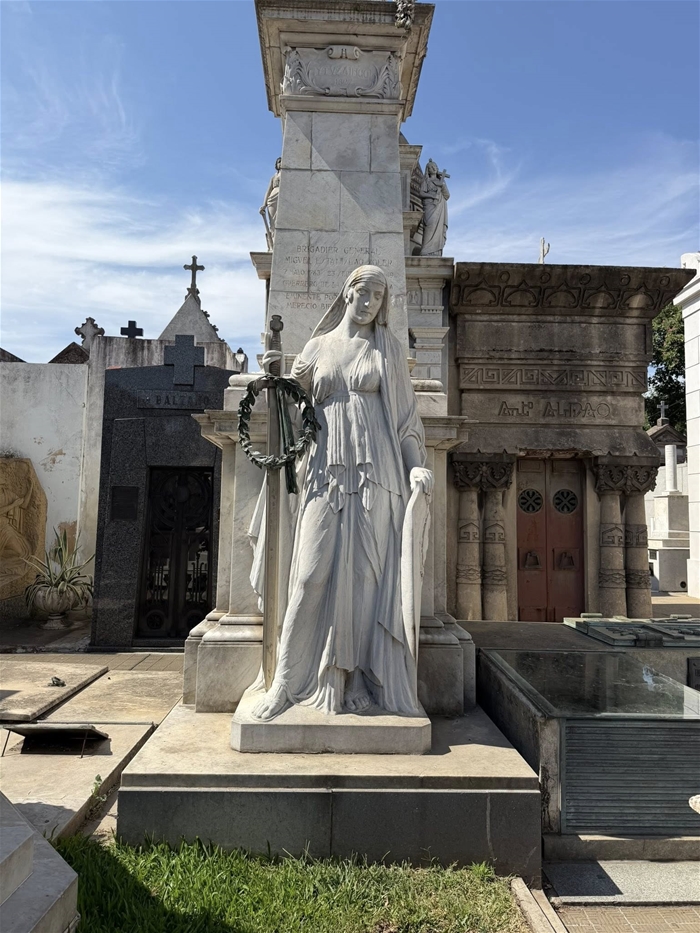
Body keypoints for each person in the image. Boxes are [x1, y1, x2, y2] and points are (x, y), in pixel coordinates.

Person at [252, 265, 433, 721]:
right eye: (363, 292)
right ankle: (286, 682)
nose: (370, 302)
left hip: (378, 472)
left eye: (378, 295)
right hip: (324, 469)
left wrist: (415, 467)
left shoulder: (388, 349)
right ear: (347, 293)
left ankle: (353, 678)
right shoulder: (317, 348)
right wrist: (273, 379)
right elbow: (289, 411)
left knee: (365, 579)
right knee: (309, 575)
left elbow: (406, 421)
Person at [419, 159, 450, 257]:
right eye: (431, 167)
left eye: (435, 166)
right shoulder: (426, 181)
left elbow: (447, 195)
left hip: (439, 207)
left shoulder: (441, 181)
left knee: (438, 228)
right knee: (430, 225)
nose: (434, 168)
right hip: (429, 206)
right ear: (428, 170)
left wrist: (443, 185)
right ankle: (426, 249)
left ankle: (436, 251)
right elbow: (421, 193)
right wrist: (432, 196)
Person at [260, 157, 282, 247]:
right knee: (272, 222)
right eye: (279, 162)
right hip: (272, 199)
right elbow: (268, 191)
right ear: (276, 165)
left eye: (282, 161)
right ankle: (272, 243)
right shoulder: (273, 177)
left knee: (280, 221)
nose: (280, 163)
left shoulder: (288, 175)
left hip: (283, 198)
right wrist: (264, 205)